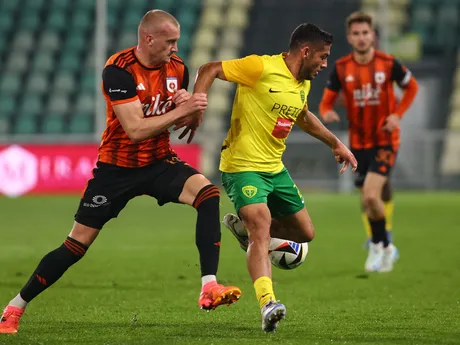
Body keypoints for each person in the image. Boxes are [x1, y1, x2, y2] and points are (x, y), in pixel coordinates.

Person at [0, 10, 241, 335]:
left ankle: (208, 286)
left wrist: (189, 110)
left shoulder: (178, 68)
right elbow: (136, 129)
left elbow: (179, 119)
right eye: (170, 41)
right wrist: (181, 110)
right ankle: (15, 306)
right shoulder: (119, 70)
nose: (175, 47)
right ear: (148, 38)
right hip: (117, 169)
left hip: (158, 163)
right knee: (75, 246)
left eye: (177, 41)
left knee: (208, 195)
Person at [176, 23, 357, 332]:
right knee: (262, 228)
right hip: (242, 166)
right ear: (306, 51)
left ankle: (246, 233)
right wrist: (197, 106)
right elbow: (209, 68)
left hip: (275, 168)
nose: (325, 64)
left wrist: (335, 143)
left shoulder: (302, 83)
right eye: (323, 57)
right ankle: (268, 304)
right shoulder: (259, 66)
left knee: (305, 233)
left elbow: (302, 115)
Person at [319, 12, 418, 272]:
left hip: (385, 141)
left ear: (372, 35)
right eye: (356, 33)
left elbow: (412, 87)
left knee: (372, 196)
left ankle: (378, 245)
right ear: (350, 37)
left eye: (365, 33)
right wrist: (327, 112)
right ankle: (385, 246)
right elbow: (326, 101)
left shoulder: (388, 63)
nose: (361, 38)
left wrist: (397, 114)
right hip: (358, 143)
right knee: (366, 201)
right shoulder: (341, 68)